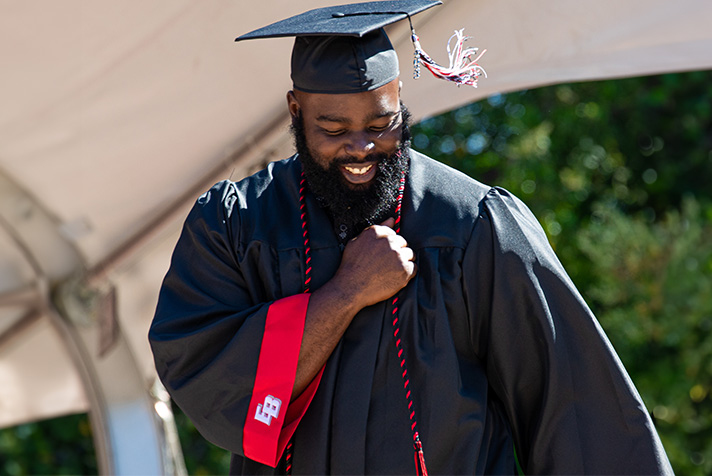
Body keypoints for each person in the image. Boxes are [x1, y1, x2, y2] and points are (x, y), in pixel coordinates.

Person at [149, 1, 674, 474]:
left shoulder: (475, 226)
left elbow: (576, 409)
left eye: (383, 124)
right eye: (333, 130)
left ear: (401, 100)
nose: (361, 148)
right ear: (295, 110)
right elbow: (210, 383)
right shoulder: (237, 225)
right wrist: (345, 293)